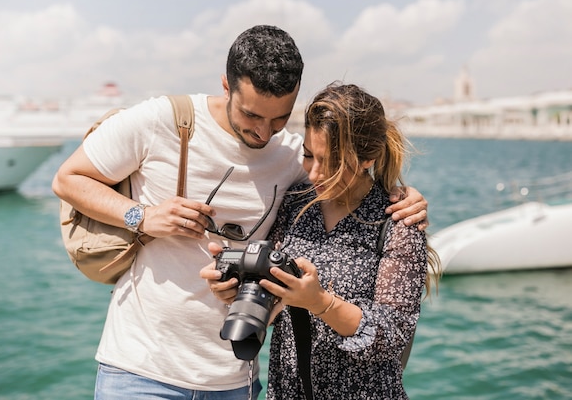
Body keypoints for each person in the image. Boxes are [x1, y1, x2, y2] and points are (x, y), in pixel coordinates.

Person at [53, 25, 429, 400]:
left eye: (279, 119)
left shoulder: (294, 161)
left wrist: (399, 194)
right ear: (226, 86)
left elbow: (349, 175)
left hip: (235, 378)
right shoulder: (161, 120)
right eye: (252, 116)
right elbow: (68, 179)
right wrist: (143, 216)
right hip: (142, 368)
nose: (264, 133)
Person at [205, 82, 441, 400]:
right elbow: (274, 303)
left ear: (367, 158)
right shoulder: (293, 204)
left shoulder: (398, 222)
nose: (314, 173)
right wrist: (235, 291)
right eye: (307, 155)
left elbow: (394, 335)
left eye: (331, 162)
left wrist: (320, 303)